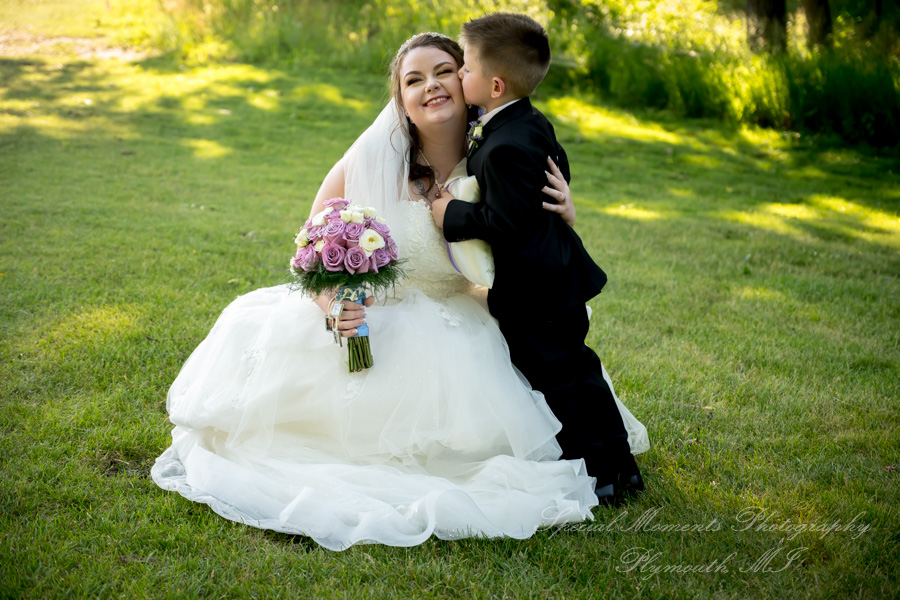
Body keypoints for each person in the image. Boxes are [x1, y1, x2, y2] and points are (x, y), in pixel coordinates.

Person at [151, 32, 649, 551]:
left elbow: (526, 232)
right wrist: (333, 307)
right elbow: (311, 252)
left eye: (443, 71)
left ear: (470, 80)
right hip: (379, 318)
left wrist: (566, 213)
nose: (430, 86)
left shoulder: (501, 151)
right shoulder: (370, 158)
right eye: (414, 80)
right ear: (401, 99)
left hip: (467, 316)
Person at [431, 14, 645, 506]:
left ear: (495, 84)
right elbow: (557, 165)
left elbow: (506, 224)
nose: (460, 76)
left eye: (464, 69)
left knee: (556, 379)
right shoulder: (528, 121)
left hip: (533, 290)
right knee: (580, 369)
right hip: (557, 278)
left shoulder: (504, 146)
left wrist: (450, 213)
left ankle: (600, 474)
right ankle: (620, 465)